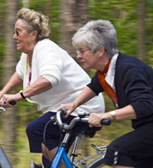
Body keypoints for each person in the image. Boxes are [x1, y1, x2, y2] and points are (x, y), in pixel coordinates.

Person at [0, 8, 105, 168]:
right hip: (62, 109)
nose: (14, 36)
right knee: (49, 161)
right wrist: (1, 94)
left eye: (18, 32)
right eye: (14, 32)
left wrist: (18, 96)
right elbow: (19, 75)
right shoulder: (28, 54)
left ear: (33, 34)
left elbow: (50, 78)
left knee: (37, 129)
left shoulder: (45, 49)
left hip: (84, 106)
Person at [58, 19, 153, 168]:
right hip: (145, 127)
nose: (78, 56)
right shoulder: (106, 72)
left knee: (117, 151)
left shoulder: (128, 69)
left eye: (82, 51)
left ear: (100, 51)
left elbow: (144, 105)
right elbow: (94, 86)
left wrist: (107, 115)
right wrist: (73, 104)